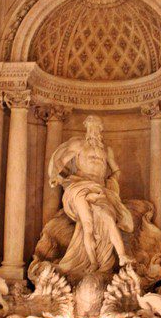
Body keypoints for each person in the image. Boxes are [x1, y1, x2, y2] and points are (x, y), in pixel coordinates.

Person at [48, 115, 133, 276]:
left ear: (101, 129)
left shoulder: (106, 150)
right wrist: (55, 176)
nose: (94, 130)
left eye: (97, 126)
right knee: (87, 224)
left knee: (108, 217)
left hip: (99, 189)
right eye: (91, 126)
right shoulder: (78, 144)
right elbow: (61, 161)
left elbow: (116, 170)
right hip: (79, 186)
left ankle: (122, 256)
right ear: (86, 127)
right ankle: (93, 262)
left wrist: (113, 181)